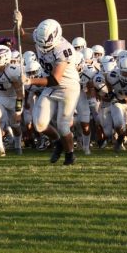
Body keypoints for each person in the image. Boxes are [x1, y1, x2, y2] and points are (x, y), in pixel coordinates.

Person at [26, 19, 81, 165]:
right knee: (39, 124)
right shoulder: (41, 36)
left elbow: (55, 79)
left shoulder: (64, 49)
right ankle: (58, 143)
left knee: (63, 125)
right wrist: (17, 24)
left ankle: (70, 155)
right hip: (50, 87)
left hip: (67, 87)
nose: (44, 48)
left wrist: (30, 81)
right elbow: (22, 36)